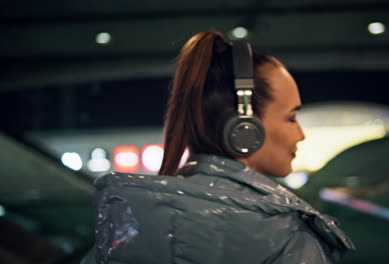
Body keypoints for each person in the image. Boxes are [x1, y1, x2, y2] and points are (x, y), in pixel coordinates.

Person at [82, 31, 355, 264]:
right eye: (291, 118)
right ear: (245, 128)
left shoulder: (124, 225)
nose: (301, 135)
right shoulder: (288, 238)